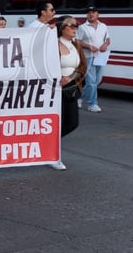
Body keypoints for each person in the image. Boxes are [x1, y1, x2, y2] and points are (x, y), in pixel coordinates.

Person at [54, 15, 87, 171]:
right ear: (63, 28)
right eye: (72, 26)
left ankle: (47, 145)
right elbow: (43, 66)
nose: (75, 29)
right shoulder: (53, 44)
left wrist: (71, 77)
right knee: (56, 123)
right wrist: (58, 76)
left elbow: (82, 68)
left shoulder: (77, 45)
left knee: (72, 123)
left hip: (71, 89)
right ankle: (53, 154)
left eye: (76, 26)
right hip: (54, 90)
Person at [77, 7, 110, 113]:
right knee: (91, 82)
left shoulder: (103, 26)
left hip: (100, 57)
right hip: (88, 56)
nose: (91, 14)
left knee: (97, 80)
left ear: (97, 14)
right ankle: (92, 104)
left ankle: (79, 97)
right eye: (89, 13)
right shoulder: (82, 27)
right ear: (87, 15)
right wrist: (89, 46)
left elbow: (107, 39)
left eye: (93, 12)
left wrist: (105, 44)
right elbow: (77, 41)